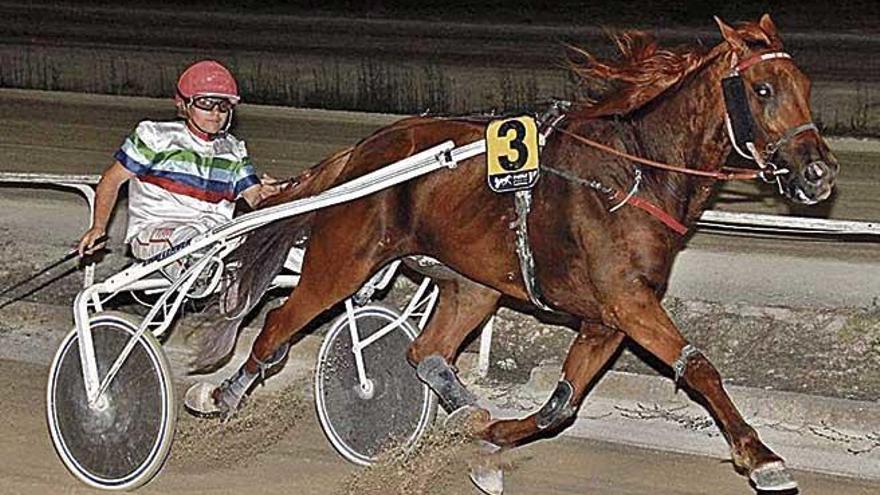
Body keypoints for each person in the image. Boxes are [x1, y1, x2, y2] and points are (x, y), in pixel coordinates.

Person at [77, 60, 285, 271]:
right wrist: (98, 227)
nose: (215, 113)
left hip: (216, 234)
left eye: (223, 106)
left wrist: (272, 194)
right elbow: (112, 181)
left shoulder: (233, 151)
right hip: (157, 231)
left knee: (275, 245)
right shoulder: (155, 137)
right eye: (206, 103)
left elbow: (255, 198)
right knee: (193, 244)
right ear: (184, 105)